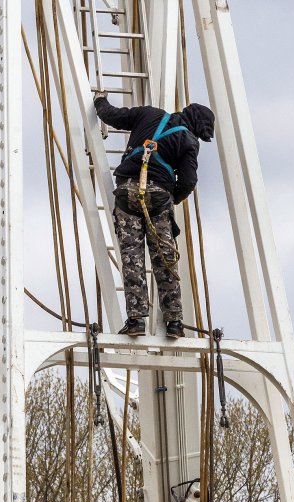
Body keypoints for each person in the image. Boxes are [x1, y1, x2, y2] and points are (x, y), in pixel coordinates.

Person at [93, 93, 215, 338]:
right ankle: (175, 323)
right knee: (165, 261)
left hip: (128, 193)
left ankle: (136, 320)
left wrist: (99, 101)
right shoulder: (189, 141)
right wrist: (172, 198)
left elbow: (113, 116)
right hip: (159, 199)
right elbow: (189, 181)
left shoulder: (148, 114)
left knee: (131, 258)